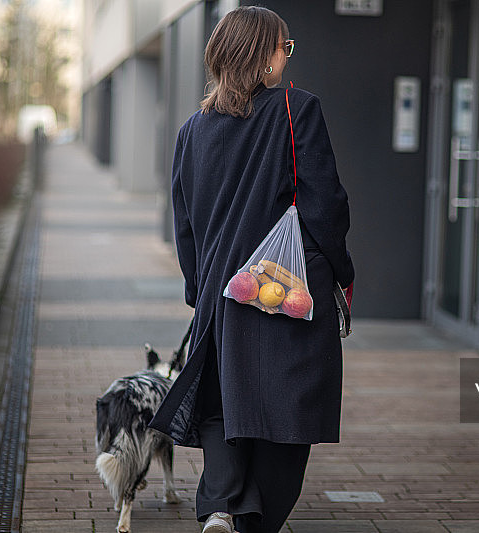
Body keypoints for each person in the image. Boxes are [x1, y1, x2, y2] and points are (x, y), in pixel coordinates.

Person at [149, 6, 354, 533]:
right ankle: (249, 522)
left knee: (222, 405)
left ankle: (222, 504)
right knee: (288, 416)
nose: (287, 55)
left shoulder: (192, 131)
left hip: (222, 295)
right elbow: (326, 205)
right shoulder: (297, 110)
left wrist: (200, 289)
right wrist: (341, 272)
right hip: (285, 293)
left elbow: (186, 223)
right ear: (262, 55)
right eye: (284, 46)